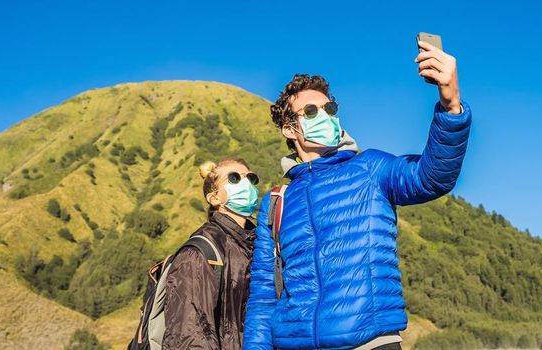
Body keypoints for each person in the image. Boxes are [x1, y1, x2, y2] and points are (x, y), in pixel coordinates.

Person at [243, 41, 473, 349]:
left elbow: (432, 177)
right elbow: (263, 294)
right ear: (289, 128)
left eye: (329, 108)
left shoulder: (369, 168)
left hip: (370, 343)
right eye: (311, 111)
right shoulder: (276, 202)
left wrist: (451, 105)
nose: (324, 115)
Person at [162, 158, 259, 349]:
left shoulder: (258, 244)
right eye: (234, 178)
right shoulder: (200, 253)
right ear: (214, 199)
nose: (246, 184)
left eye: (250, 178)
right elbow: (189, 334)